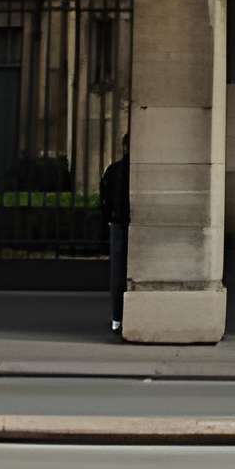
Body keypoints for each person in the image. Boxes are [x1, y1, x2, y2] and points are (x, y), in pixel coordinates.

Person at [100, 132, 130, 335]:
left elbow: (104, 199)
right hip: (130, 223)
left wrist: (109, 218)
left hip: (119, 224)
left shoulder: (114, 170)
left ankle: (117, 318)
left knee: (118, 275)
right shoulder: (133, 171)